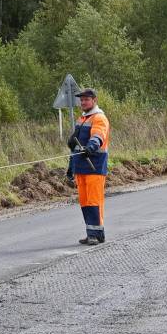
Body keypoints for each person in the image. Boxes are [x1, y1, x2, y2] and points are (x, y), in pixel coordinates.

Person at [66, 88, 111, 245]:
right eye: (82, 100)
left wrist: (91, 146)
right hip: (80, 167)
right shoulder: (81, 119)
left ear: (94, 100)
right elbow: (75, 146)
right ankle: (93, 232)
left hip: (94, 166)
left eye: (86, 99)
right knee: (85, 202)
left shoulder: (99, 118)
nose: (83, 102)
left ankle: (95, 234)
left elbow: (98, 136)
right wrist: (71, 166)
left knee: (94, 201)